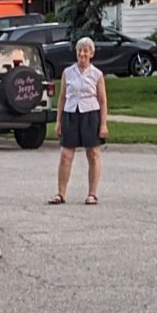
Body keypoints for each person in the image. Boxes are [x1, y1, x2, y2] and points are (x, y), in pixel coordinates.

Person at [51, 37, 108, 205]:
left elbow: (103, 101)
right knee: (65, 155)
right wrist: (58, 121)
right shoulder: (68, 72)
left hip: (90, 114)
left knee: (93, 154)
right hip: (70, 114)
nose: (82, 54)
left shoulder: (96, 74)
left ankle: (92, 193)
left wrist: (103, 123)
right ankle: (60, 193)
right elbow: (62, 98)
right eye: (79, 51)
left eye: (85, 51)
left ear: (91, 53)